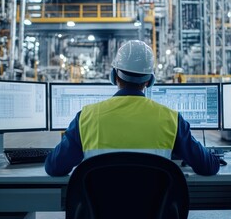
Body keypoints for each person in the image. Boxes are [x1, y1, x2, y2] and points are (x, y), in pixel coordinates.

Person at [45, 40, 220, 176]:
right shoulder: (172, 119)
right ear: (150, 81)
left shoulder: (86, 117)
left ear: (114, 76)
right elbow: (208, 167)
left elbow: (54, 167)